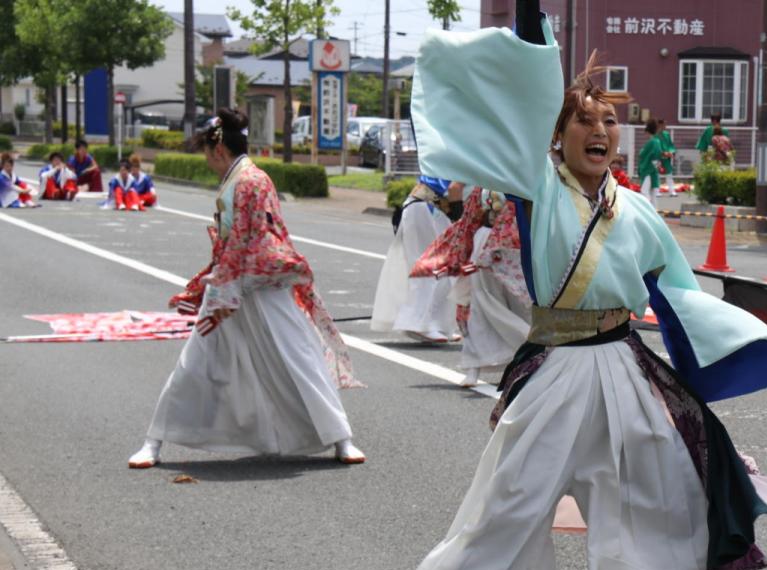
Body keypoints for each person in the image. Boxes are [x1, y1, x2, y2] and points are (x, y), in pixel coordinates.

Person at [403, 0, 767, 570]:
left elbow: (680, 293)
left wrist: (732, 342)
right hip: (555, 367)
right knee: (510, 498)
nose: (599, 130)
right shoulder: (536, 186)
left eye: (609, 121)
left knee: (678, 487)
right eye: (582, 119)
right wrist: (532, 15)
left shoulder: (638, 210)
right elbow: (529, 84)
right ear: (554, 136)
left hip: (624, 362)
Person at [128, 109, 364, 469]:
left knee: (298, 356)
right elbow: (232, 240)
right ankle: (154, 440)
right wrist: (217, 277)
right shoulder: (241, 177)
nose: (207, 162)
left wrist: (224, 281)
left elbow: (247, 236)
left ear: (218, 151)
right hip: (235, 280)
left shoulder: (249, 180)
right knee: (197, 361)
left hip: (260, 282)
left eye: (207, 154)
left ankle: (340, 436)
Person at [415, 186, 532, 386]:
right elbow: (469, 221)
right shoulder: (482, 187)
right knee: (479, 306)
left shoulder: (521, 182)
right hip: (485, 245)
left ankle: (528, 355)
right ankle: (474, 367)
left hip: (516, 249)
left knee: (522, 306)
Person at [371, 176, 465, 340]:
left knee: (445, 270)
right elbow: (454, 188)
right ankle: (418, 323)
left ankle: (436, 324)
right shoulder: (465, 156)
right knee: (429, 268)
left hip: (430, 208)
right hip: (429, 209)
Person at [636, 118, 662, 207]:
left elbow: (646, 156)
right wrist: (658, 167)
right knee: (653, 193)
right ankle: (654, 214)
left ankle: (648, 211)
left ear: (647, 131)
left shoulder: (651, 142)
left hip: (648, 170)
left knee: (644, 192)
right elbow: (657, 156)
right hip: (653, 170)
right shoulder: (657, 142)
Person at [656, 118, 677, 196]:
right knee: (656, 173)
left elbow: (670, 145)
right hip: (657, 157)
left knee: (669, 173)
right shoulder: (655, 135)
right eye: (664, 124)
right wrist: (662, 153)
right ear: (660, 125)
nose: (665, 126)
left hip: (666, 157)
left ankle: (672, 191)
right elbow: (655, 146)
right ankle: (656, 191)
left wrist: (671, 152)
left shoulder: (666, 134)